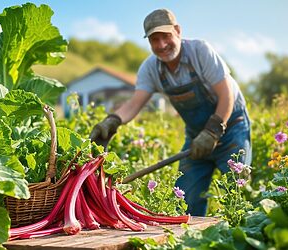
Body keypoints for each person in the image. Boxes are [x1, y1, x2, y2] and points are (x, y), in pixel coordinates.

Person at [90, 8, 251, 216]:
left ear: (177, 30)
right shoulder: (151, 68)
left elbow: (226, 93)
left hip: (231, 129)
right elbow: (134, 103)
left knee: (238, 196)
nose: (161, 45)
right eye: (154, 40)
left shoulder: (200, 52)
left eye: (165, 36)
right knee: (184, 200)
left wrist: (213, 130)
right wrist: (112, 121)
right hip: (195, 137)